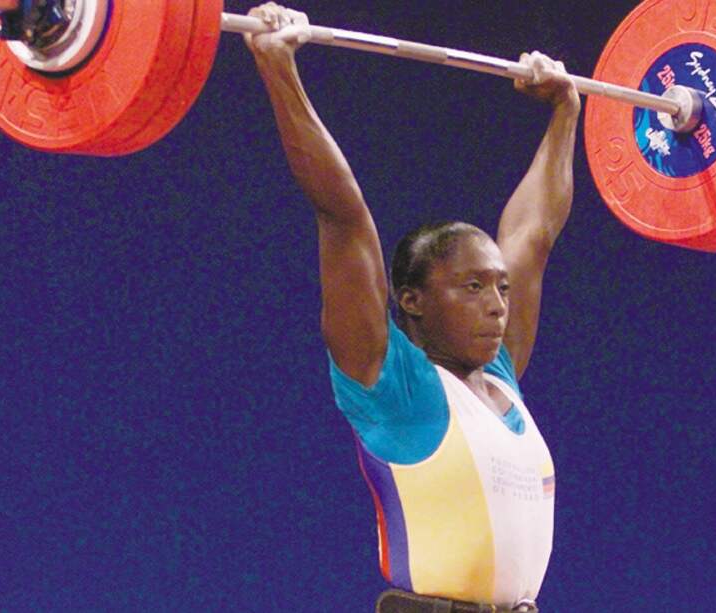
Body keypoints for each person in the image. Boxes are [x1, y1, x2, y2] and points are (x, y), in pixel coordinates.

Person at [244, 4, 580, 611]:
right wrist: (278, 67)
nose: (497, 305)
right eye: (472, 287)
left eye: (499, 288)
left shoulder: (501, 376)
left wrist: (566, 112)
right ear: (412, 302)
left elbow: (533, 233)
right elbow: (342, 215)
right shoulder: (390, 383)